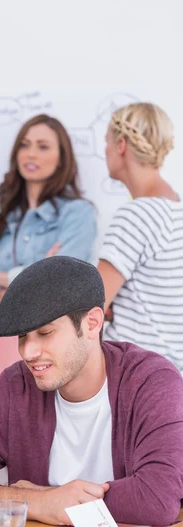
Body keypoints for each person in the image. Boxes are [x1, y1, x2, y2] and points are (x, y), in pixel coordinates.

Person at [0, 256, 183, 526]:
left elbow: (158, 499)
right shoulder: (14, 387)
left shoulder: (151, 381)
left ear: (92, 323)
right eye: (22, 337)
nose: (28, 352)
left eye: (45, 333)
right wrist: (37, 501)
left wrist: (49, 498)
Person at [0, 114, 97, 405]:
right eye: (25, 145)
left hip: (53, 341)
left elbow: (64, 280)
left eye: (43, 146)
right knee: (0, 429)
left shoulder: (78, 213)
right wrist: (8, 289)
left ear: (61, 158)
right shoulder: (6, 214)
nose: (31, 153)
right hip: (4, 340)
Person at [98, 102, 183, 372]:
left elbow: (91, 306)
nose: (105, 150)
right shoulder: (175, 211)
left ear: (121, 144)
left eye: (107, 141)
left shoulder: (137, 215)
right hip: (169, 378)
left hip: (138, 377)